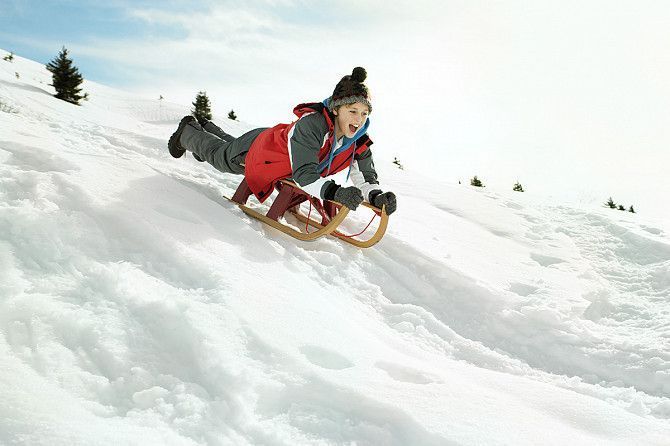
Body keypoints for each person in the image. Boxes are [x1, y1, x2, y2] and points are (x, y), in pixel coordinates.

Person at [168, 67, 397, 215]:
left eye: (364, 113)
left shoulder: (359, 141)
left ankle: (207, 128)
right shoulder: (312, 125)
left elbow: (365, 176)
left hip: (277, 151)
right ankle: (187, 132)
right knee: (221, 158)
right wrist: (335, 193)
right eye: (353, 110)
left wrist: (377, 196)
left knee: (227, 148)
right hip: (262, 150)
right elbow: (304, 176)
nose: (358, 120)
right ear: (337, 109)